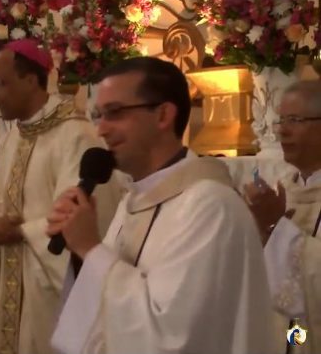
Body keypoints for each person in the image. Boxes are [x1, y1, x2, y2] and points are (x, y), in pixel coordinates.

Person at [47, 57, 277, 354]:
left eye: (114, 113)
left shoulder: (209, 206)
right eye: (98, 115)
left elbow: (172, 334)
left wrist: (90, 249)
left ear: (163, 115)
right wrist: (81, 253)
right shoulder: (135, 198)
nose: (101, 130)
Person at [0, 39, 121, 354]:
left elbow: (77, 211)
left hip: (50, 284)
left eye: (1, 83)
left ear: (30, 80)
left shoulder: (75, 134)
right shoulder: (14, 135)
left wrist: (18, 231)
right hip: (13, 278)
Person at [244, 80, 321, 354]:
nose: (282, 132)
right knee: (292, 342)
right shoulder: (284, 186)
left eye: (295, 120)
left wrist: (276, 226)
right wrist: (258, 230)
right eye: (281, 120)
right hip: (289, 333)